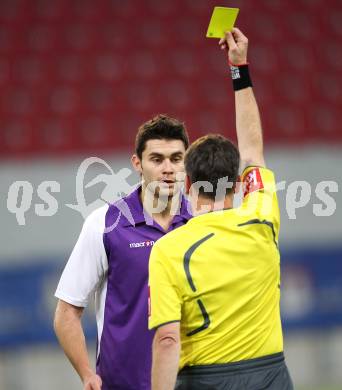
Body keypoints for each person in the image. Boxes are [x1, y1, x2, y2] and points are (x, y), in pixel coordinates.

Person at [148, 28, 294, 390]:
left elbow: (167, 340)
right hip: (272, 376)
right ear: (239, 184)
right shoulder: (261, 216)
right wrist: (239, 67)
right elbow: (253, 152)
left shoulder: (168, 250)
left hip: (205, 380)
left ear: (186, 185)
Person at [54, 114, 192, 390]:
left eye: (176, 159)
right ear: (137, 164)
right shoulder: (105, 223)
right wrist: (86, 375)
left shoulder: (201, 223)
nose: (168, 169)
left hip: (191, 383)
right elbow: (66, 312)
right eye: (157, 159)